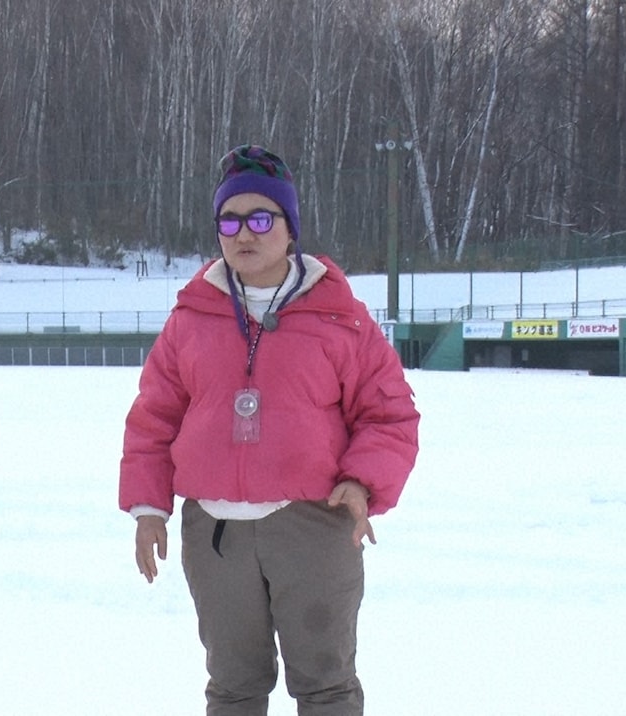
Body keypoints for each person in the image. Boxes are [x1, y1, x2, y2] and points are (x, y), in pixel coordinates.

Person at [119, 144, 420, 716]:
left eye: (262, 218)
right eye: (229, 221)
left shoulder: (340, 317)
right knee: (233, 689)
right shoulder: (191, 318)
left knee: (327, 687)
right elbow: (153, 420)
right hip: (216, 534)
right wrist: (147, 508)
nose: (244, 234)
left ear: (290, 229)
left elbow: (390, 414)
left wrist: (361, 482)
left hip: (313, 525)